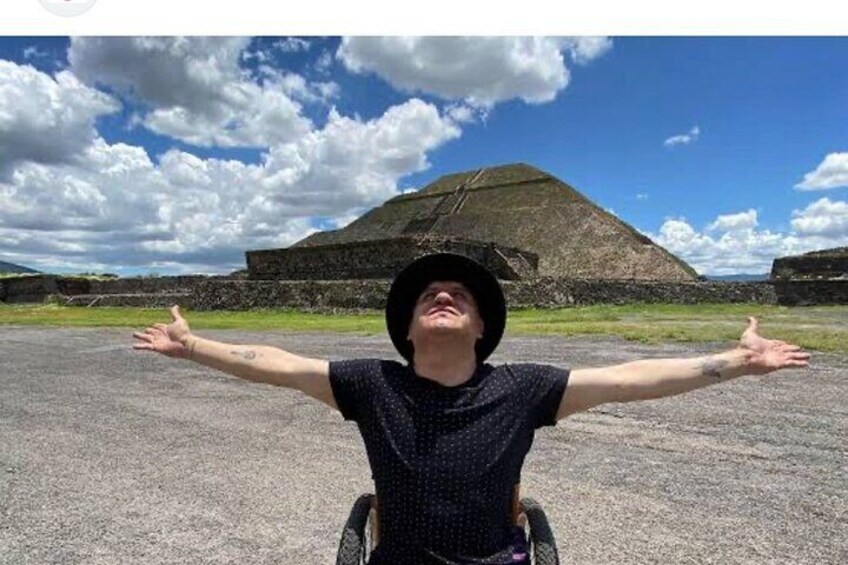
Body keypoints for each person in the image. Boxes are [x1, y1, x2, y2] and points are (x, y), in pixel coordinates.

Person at [132, 253, 810, 565]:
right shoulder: (374, 384)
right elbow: (279, 365)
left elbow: (629, 378)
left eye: (460, 292)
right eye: (431, 293)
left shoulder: (521, 389)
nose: (444, 295)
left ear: (482, 326)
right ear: (409, 328)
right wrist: (195, 348)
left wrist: (733, 362)